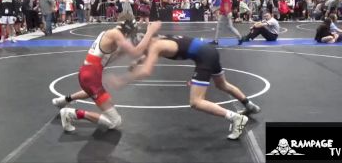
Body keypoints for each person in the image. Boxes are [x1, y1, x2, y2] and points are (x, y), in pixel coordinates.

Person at [110, 34, 260, 140]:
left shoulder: (156, 46)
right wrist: (137, 62)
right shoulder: (159, 39)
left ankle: (236, 118)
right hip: (210, 52)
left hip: (203, 58)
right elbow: (150, 52)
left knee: (196, 102)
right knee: (222, 85)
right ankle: (249, 105)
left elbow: (147, 70)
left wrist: (123, 80)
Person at [52, 14, 161, 132]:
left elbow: (108, 58)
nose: (129, 36)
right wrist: (150, 32)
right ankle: (70, 113)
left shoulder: (108, 33)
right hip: (91, 77)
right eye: (130, 32)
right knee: (115, 121)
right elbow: (134, 52)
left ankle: (62, 100)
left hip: (87, 74)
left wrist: (128, 55)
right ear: (127, 27)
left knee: (91, 92)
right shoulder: (116, 35)